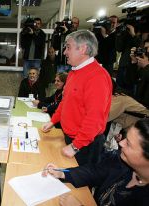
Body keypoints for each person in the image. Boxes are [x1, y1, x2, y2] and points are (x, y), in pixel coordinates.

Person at [42, 30, 112, 165]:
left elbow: (95, 118)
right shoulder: (74, 72)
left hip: (85, 144)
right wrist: (53, 121)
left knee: (77, 185)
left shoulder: (97, 77)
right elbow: (65, 101)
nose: (64, 52)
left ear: (83, 49)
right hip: (70, 137)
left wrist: (75, 146)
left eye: (68, 47)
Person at [42, 118, 149, 206]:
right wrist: (62, 173)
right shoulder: (122, 161)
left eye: (128, 144)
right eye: (125, 138)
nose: (121, 143)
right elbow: (95, 171)